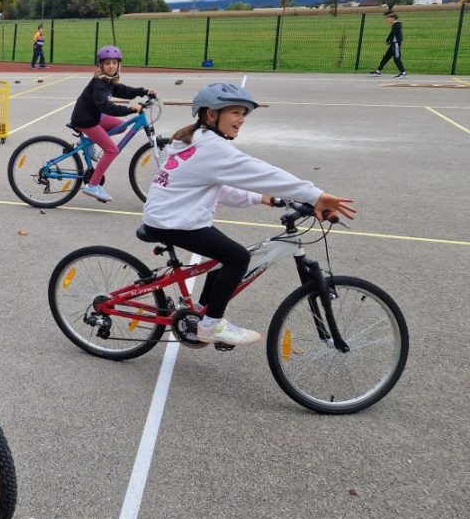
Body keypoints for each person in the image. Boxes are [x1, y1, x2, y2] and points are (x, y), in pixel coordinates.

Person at [142, 82, 356, 346]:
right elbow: (260, 171)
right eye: (235, 112)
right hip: (172, 221)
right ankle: (211, 325)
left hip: (174, 216)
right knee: (237, 257)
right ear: (211, 115)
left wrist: (265, 199)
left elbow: (216, 187)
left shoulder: (197, 139)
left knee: (222, 258)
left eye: (244, 113)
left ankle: (200, 312)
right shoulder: (212, 147)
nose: (241, 119)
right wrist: (315, 195)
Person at [69, 45, 157, 202]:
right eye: (107, 63)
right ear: (101, 66)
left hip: (95, 116)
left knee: (120, 126)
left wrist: (144, 91)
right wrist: (130, 109)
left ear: (118, 65)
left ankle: (88, 143)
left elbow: (124, 90)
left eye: (114, 63)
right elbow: (106, 106)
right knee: (111, 150)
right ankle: (93, 185)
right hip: (85, 120)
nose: (111, 66)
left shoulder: (108, 81)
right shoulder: (99, 83)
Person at [370, 12, 407, 79]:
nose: (387, 20)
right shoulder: (396, 25)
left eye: (388, 18)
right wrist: (390, 42)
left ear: (393, 18)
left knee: (397, 58)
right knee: (385, 57)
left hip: (396, 44)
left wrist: (387, 40)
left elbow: (392, 34)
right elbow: (395, 35)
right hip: (393, 44)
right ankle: (378, 71)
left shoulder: (396, 25)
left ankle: (403, 73)